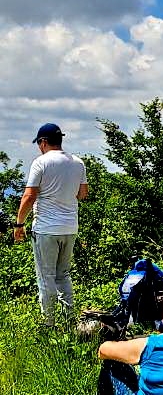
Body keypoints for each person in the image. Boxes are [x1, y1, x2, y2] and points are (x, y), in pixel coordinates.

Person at [14, 123, 88, 327]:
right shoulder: (78, 163)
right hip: (70, 228)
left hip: (46, 229)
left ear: (44, 142)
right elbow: (82, 194)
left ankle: (49, 323)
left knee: (46, 277)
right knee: (63, 275)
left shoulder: (41, 163)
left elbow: (29, 196)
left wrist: (19, 224)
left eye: (39, 143)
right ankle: (69, 320)